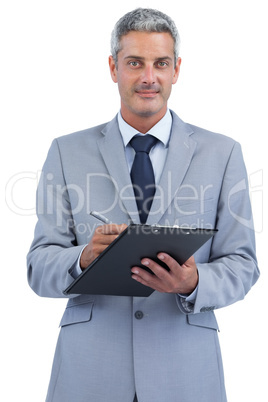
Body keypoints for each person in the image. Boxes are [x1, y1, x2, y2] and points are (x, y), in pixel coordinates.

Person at [27, 8, 259, 402]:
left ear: (176, 69)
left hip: (186, 373)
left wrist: (194, 282)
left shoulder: (222, 153)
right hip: (90, 373)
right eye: (135, 63)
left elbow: (243, 264)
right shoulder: (67, 152)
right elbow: (38, 266)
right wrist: (83, 258)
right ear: (114, 68)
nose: (148, 77)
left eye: (160, 63)